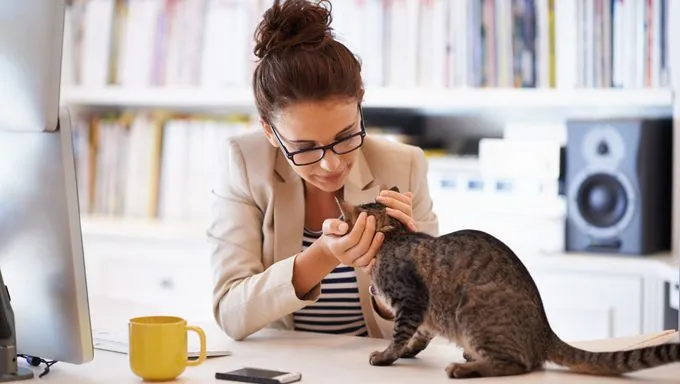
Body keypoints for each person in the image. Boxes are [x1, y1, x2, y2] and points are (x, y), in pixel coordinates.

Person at [208, 0, 438, 341]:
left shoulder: (403, 165)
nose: (331, 164)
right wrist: (322, 255)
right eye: (304, 148)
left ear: (360, 105)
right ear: (270, 132)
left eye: (346, 137)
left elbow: (427, 328)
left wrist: (393, 271)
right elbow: (230, 313)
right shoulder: (245, 162)